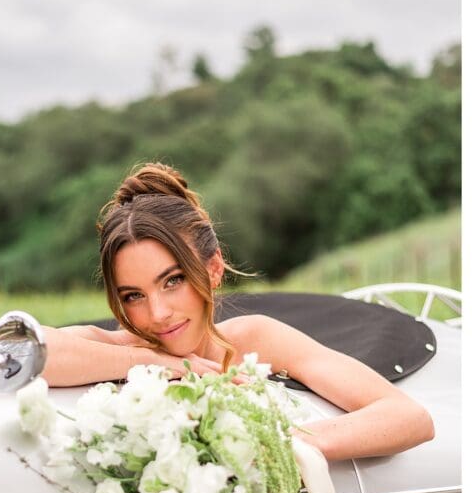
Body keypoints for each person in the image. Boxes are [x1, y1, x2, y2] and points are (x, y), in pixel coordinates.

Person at [41, 163, 434, 461]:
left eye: (173, 281)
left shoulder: (254, 340)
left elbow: (408, 417)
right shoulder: (116, 348)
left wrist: (270, 448)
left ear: (213, 269)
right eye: (133, 296)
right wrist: (150, 361)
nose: (157, 313)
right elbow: (26, 349)